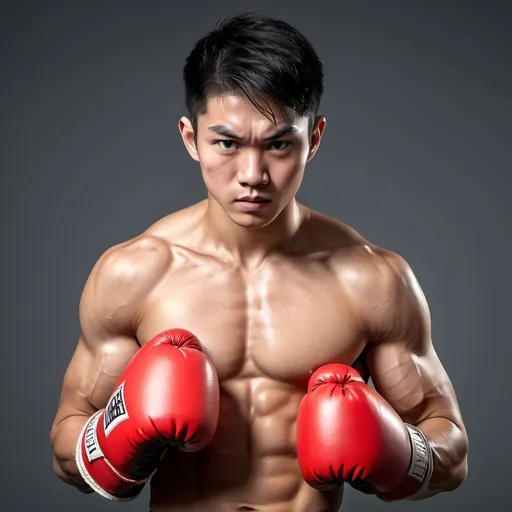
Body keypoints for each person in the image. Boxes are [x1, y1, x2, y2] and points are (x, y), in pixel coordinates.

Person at [50, 11, 469, 512]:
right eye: (227, 143)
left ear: (312, 140)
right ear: (190, 138)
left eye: (279, 145)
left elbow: (452, 453)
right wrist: (118, 440)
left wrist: (397, 454)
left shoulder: (371, 281)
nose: (253, 175)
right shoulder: (135, 274)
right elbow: (67, 448)